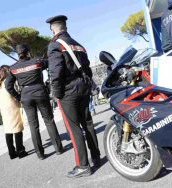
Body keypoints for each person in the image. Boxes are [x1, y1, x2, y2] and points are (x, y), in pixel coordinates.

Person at [46, 15, 101, 178]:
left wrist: (56, 94)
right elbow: (88, 69)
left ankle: (83, 166)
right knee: (88, 123)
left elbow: (55, 72)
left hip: (68, 90)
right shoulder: (78, 45)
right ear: (66, 27)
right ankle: (96, 156)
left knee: (73, 127)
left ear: (52, 29)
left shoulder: (55, 45)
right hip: (83, 87)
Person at [5, 44, 63, 160]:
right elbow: (49, 63)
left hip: (25, 95)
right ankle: (58, 149)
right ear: (28, 52)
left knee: (33, 126)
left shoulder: (13, 68)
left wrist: (18, 96)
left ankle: (40, 154)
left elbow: (8, 85)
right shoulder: (37, 62)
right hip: (40, 92)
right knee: (49, 121)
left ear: (18, 54)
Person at [0, 65, 28, 159]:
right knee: (17, 128)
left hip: (4, 109)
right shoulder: (9, 81)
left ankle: (12, 153)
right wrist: (19, 97)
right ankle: (20, 151)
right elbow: (13, 92)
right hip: (12, 107)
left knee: (8, 130)